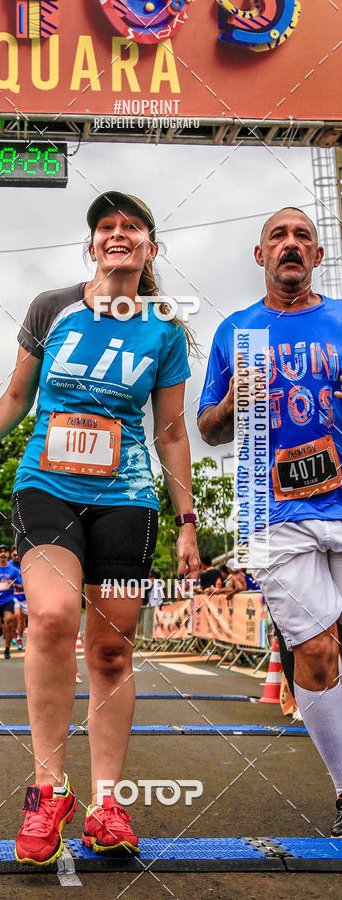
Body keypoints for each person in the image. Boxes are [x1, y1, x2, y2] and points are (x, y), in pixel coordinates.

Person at [0, 191, 200, 865]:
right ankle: (47, 790)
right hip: (46, 487)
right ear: (92, 245)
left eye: (132, 227)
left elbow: (172, 432)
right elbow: (17, 393)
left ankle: (108, 802)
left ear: (149, 248)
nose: (118, 234)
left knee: (112, 652)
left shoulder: (166, 329)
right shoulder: (51, 308)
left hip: (127, 500)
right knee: (53, 617)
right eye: (105, 227)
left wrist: (187, 523)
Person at [198, 207, 342, 836]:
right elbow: (207, 429)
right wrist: (236, 398)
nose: (291, 245)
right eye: (278, 237)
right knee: (315, 654)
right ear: (261, 257)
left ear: (316, 256)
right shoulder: (237, 331)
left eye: (302, 237)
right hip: (274, 514)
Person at [11, 546, 28, 650]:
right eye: (14, 555)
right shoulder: (8, 566)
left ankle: (19, 638)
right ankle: (14, 632)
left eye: (18, 555)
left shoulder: (25, 564)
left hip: (25, 596)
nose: (16, 557)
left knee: (22, 621)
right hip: (13, 596)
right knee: (16, 615)